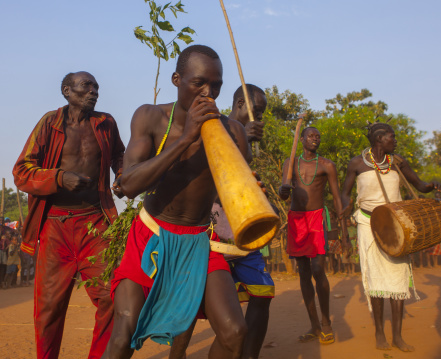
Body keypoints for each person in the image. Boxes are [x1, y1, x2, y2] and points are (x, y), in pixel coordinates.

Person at [103, 45, 249, 359]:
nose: (208, 93)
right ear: (176, 79)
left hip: (199, 242)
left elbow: (236, 199)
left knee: (235, 332)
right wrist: (185, 140)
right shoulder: (150, 117)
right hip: (150, 236)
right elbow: (127, 184)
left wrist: (250, 193)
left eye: (217, 86)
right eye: (199, 83)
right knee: (123, 334)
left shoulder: (233, 131)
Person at [12, 71, 125, 359]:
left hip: (96, 225)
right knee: (49, 308)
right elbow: (21, 172)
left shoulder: (106, 123)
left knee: (112, 297)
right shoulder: (49, 123)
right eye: (86, 86)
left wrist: (123, 176)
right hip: (54, 226)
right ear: (66, 91)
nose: (94, 91)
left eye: (96, 86)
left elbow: (119, 157)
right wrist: (60, 178)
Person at [340, 121, 441, 352]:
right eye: (392, 137)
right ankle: (378, 332)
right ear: (379, 140)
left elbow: (419, 185)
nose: (395, 141)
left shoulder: (398, 162)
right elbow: (345, 194)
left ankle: (397, 336)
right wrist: (344, 207)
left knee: (398, 278)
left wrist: (430, 186)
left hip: (396, 226)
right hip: (368, 224)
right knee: (375, 279)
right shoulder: (357, 164)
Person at [278, 127, 346, 345]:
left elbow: (337, 198)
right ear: (303, 139)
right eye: (311, 136)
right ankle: (314, 326)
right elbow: (282, 191)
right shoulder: (290, 164)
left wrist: (343, 229)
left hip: (317, 219)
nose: (315, 139)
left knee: (318, 269)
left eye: (318, 136)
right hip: (297, 220)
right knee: (304, 273)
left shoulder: (327, 165)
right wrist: (283, 191)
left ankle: (326, 324)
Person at [222, 84, 275, 359]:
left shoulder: (243, 135)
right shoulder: (217, 127)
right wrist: (241, 138)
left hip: (242, 227)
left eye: (263, 113)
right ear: (241, 103)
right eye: (258, 111)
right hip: (214, 230)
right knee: (206, 303)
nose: (260, 119)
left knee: (263, 292)